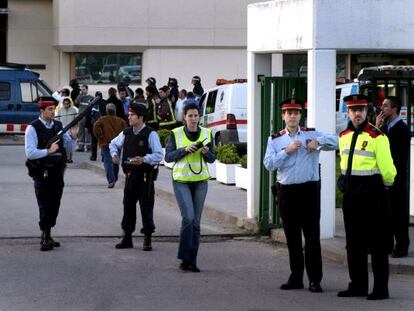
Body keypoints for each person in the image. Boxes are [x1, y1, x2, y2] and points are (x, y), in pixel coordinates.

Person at [263, 98, 337, 293]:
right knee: (292, 237)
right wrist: (286, 152)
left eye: (296, 112)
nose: (292, 116)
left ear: (300, 115)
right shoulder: (275, 139)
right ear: (283, 116)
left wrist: (318, 142)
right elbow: (268, 164)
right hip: (287, 192)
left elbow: (337, 141)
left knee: (312, 237)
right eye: (289, 113)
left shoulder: (311, 133)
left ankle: (315, 280)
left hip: (309, 190)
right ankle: (296, 277)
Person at [337, 94, 396, 300]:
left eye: (361, 109)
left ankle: (381, 289)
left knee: (377, 245)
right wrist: (342, 179)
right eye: (353, 110)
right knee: (354, 244)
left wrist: (382, 188)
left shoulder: (377, 137)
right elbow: (345, 163)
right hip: (351, 196)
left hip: (372, 196)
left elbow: (389, 171)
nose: (357, 113)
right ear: (348, 112)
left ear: (367, 111)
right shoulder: (343, 135)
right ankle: (358, 286)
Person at [165, 103, 216, 272]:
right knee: (188, 218)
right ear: (184, 118)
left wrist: (206, 152)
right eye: (190, 116)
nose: (193, 119)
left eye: (196, 116)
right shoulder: (176, 133)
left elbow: (212, 158)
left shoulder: (207, 133)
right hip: (181, 181)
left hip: (200, 181)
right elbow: (169, 156)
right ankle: (184, 257)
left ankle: (192, 260)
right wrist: (184, 150)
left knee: (196, 223)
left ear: (199, 117)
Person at [110, 103, 163, 251]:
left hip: (145, 177)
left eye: (132, 115)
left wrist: (144, 159)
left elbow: (159, 155)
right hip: (130, 175)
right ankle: (127, 237)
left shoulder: (150, 134)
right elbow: (113, 144)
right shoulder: (126, 133)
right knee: (128, 206)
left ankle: (147, 238)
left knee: (146, 207)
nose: (129, 117)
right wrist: (114, 155)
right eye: (129, 114)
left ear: (140, 117)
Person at [24, 97, 72, 251]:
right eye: (50, 109)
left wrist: (70, 136)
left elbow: (69, 145)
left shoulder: (58, 125)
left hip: (57, 171)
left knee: (55, 203)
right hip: (42, 172)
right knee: (45, 203)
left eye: (54, 109)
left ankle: (49, 233)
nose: (53, 112)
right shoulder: (33, 128)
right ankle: (45, 236)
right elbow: (30, 153)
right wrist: (48, 151)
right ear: (42, 111)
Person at [375, 96, 411, 258]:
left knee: (398, 213)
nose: (382, 108)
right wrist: (378, 127)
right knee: (386, 213)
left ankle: (402, 246)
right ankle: (387, 245)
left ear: (394, 108)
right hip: (386, 176)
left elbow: (388, 149)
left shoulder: (401, 129)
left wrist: (378, 129)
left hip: (397, 176)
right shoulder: (388, 127)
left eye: (385, 106)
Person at [93, 103, 126, 188]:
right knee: (115, 161)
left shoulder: (102, 120)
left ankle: (111, 180)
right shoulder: (121, 121)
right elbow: (125, 131)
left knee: (108, 162)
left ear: (107, 111)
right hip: (117, 144)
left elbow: (96, 127)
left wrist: (100, 136)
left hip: (106, 143)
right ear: (115, 111)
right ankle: (115, 177)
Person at [55, 97, 78, 163]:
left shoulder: (73, 110)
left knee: (71, 145)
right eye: (64, 104)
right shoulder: (60, 110)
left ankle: (70, 158)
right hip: (63, 130)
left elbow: (76, 120)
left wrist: (75, 129)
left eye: (67, 104)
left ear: (69, 104)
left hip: (71, 129)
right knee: (64, 145)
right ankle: (65, 157)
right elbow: (58, 120)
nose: (66, 105)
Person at [74, 84, 93, 152]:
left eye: (84, 89)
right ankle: (80, 147)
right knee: (80, 132)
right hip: (81, 117)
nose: (82, 91)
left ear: (87, 90)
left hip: (88, 118)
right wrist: (80, 95)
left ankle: (89, 147)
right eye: (81, 90)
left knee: (88, 132)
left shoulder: (91, 97)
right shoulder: (80, 97)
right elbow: (76, 102)